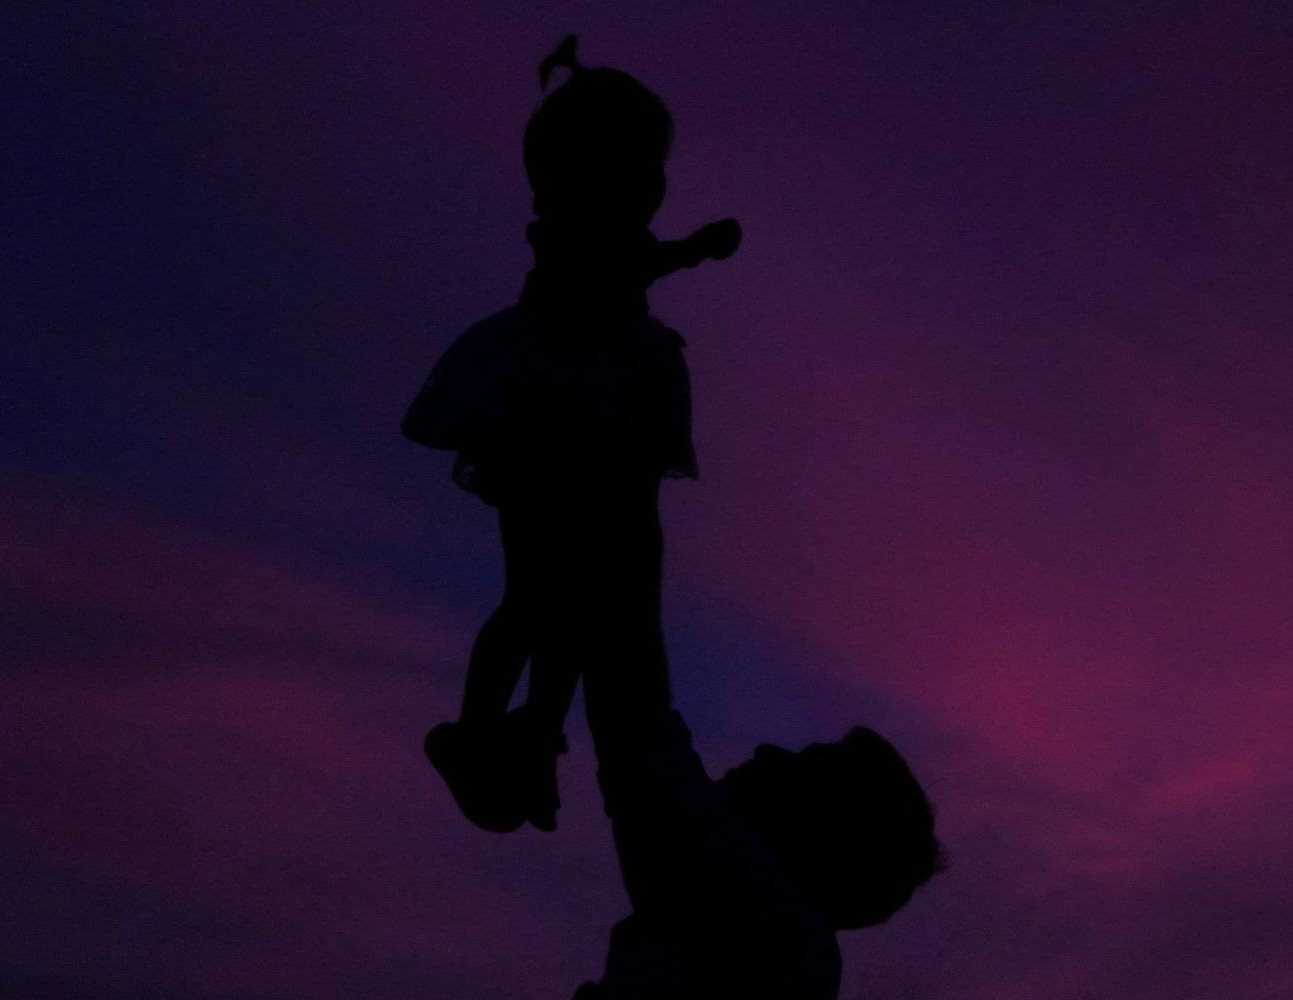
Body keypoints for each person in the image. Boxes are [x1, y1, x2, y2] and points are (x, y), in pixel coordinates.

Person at [402, 35, 740, 833]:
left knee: (572, 604)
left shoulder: (606, 263)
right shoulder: (576, 250)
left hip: (592, 419)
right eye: (637, 167)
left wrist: (684, 251)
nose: (654, 185)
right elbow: (617, 268)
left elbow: (626, 266)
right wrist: (694, 250)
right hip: (554, 421)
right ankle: (481, 728)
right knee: (536, 595)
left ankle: (536, 730)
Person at [572, 637, 944, 998]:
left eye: (803, 767)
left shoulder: (767, 927)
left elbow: (640, 732)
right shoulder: (793, 953)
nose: (767, 751)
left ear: (819, 831)